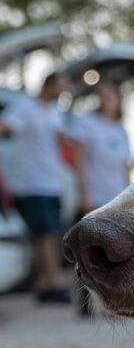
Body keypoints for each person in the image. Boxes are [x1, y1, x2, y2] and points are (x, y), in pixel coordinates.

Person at [0, 72, 75, 304]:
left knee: (50, 234)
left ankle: (46, 282)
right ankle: (52, 283)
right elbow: (4, 127)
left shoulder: (54, 112)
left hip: (52, 183)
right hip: (32, 183)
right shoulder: (25, 108)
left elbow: (63, 142)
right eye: (61, 87)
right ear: (49, 84)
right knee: (44, 234)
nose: (64, 92)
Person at [68, 82, 132, 315]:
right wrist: (84, 193)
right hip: (93, 195)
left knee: (113, 252)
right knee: (86, 251)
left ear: (118, 100)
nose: (106, 100)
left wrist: (128, 195)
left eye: (110, 95)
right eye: (102, 95)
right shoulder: (87, 124)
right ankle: (84, 304)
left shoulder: (120, 130)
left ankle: (112, 303)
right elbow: (79, 161)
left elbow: (125, 166)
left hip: (115, 196)